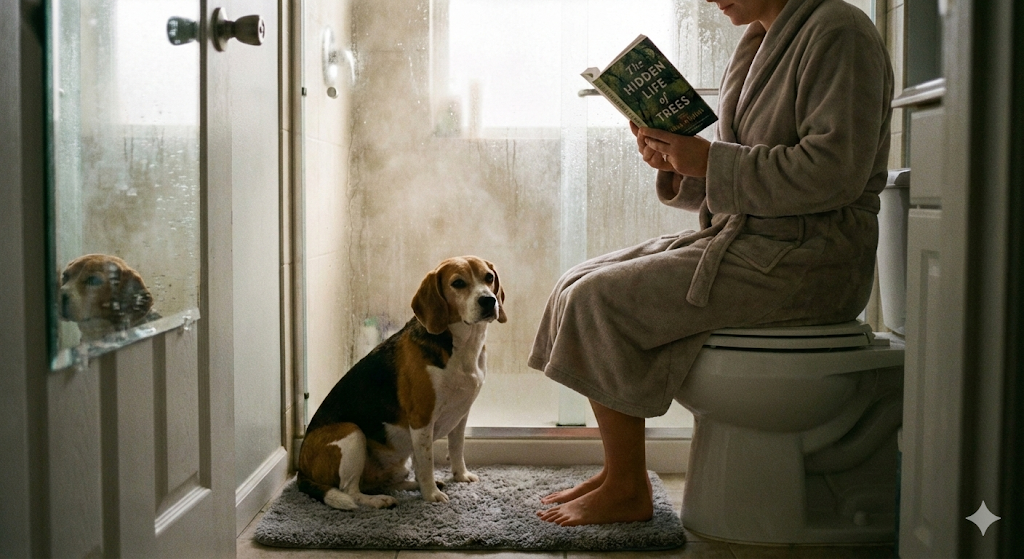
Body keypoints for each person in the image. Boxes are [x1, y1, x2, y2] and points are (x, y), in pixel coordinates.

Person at [530, 0, 894, 527]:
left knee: (597, 300)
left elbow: (833, 173)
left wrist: (707, 160)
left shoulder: (840, 32)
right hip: (760, 244)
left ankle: (628, 488)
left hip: (813, 262)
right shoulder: (757, 42)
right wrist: (681, 165)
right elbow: (743, 176)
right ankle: (618, 475)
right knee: (576, 282)